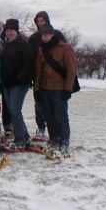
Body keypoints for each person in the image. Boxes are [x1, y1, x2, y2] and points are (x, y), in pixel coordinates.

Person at [33, 24, 76, 157]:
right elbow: (38, 71)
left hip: (59, 89)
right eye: (42, 35)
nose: (44, 37)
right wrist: (37, 89)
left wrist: (68, 89)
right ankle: (54, 139)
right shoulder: (41, 50)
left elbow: (71, 70)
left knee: (61, 116)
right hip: (45, 88)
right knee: (49, 116)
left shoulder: (65, 48)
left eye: (47, 35)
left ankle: (64, 141)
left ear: (52, 34)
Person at [28, 11, 66, 139]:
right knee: (39, 104)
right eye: (38, 21)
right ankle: (41, 127)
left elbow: (65, 54)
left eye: (42, 20)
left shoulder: (57, 34)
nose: (40, 23)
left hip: (56, 78)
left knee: (56, 107)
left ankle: (60, 133)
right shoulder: (33, 38)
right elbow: (30, 57)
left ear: (47, 20)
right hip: (38, 76)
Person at [0, 18, 32, 149]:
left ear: (17, 31)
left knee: (14, 110)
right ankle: (24, 136)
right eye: (7, 30)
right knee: (13, 110)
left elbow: (28, 63)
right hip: (7, 83)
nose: (9, 33)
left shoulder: (23, 44)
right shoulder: (6, 44)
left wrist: (20, 77)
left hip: (19, 83)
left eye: (12, 30)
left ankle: (20, 140)